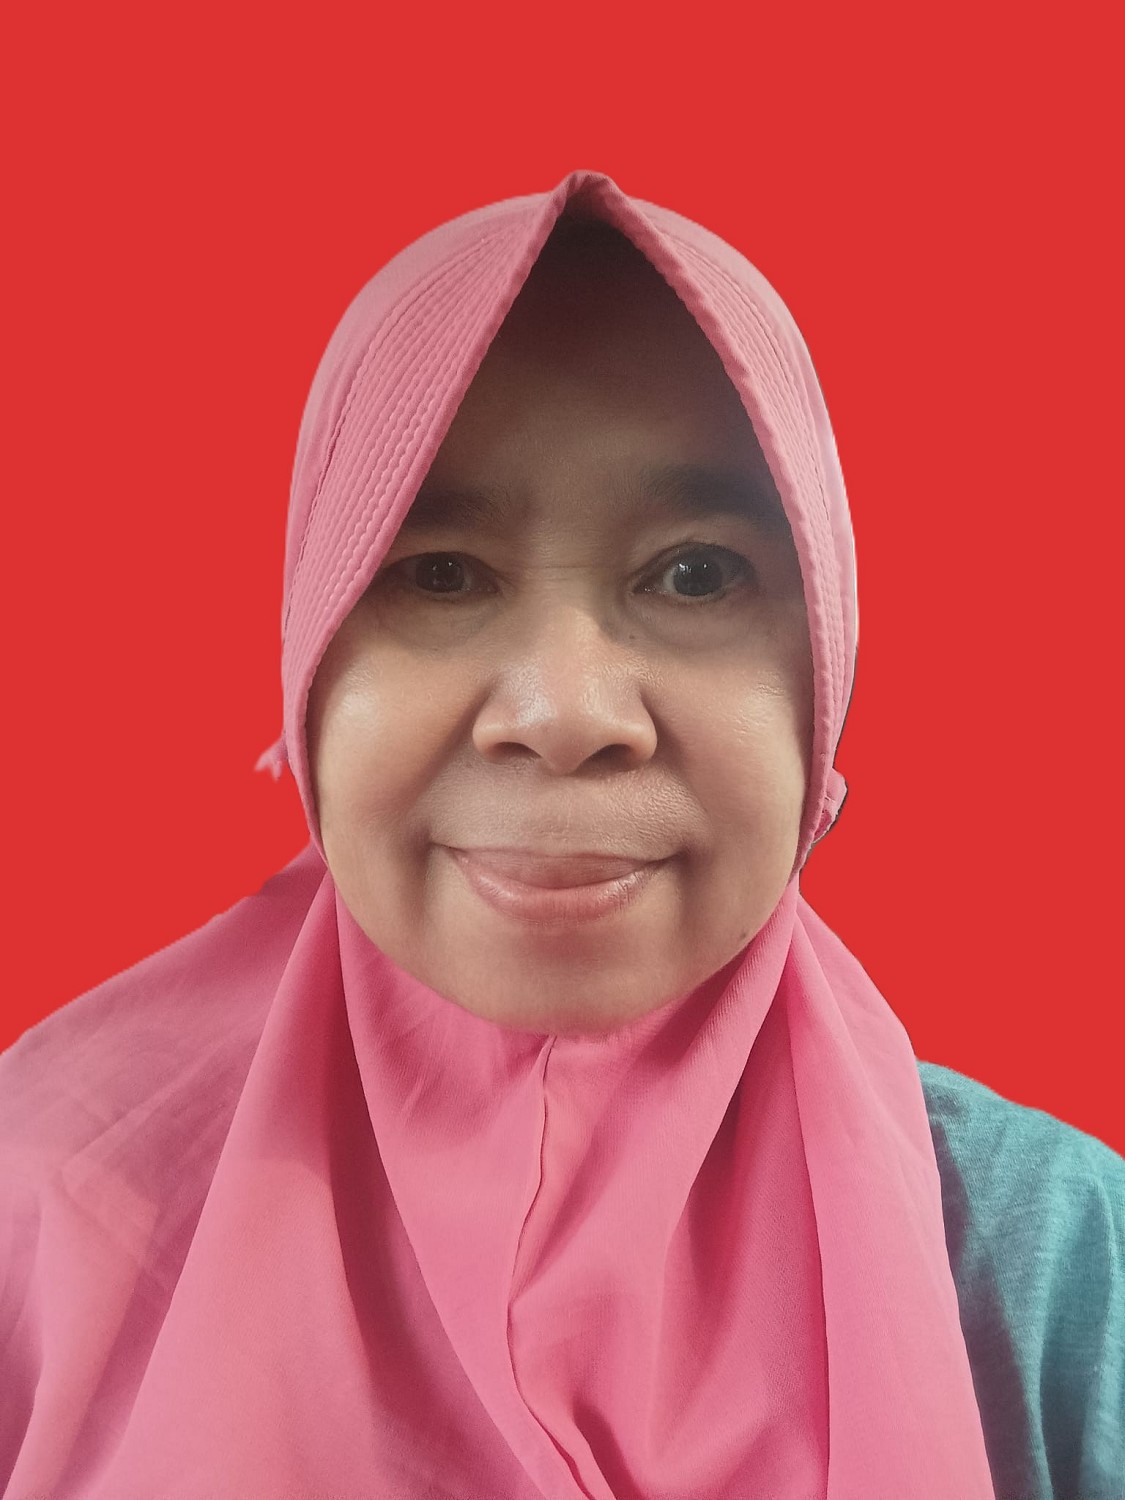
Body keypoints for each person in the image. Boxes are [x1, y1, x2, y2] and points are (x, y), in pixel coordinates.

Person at [1, 170, 1121, 1500]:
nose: (566, 712)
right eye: (438, 573)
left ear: (822, 663)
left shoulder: (1050, 1264)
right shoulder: (46, 1218)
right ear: (310, 653)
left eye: (696, 573)